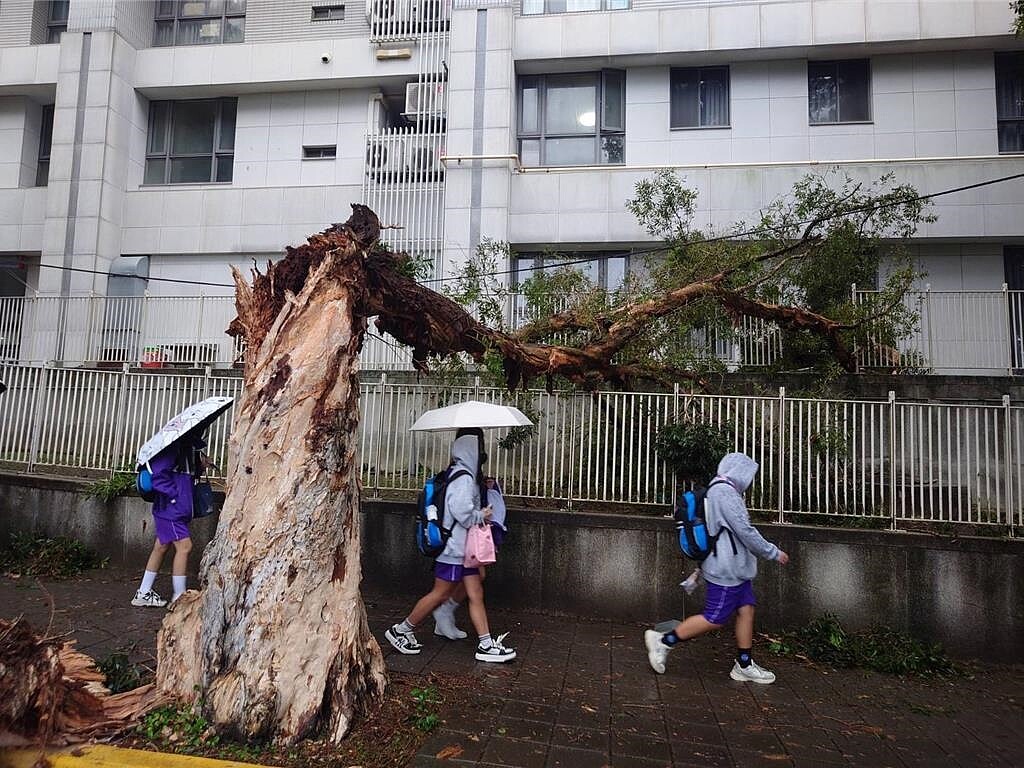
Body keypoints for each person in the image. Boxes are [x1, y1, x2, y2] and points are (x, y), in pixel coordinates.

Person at [644, 452, 789, 683]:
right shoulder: (725, 493)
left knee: (746, 610)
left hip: (735, 569)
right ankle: (663, 641)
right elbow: (745, 531)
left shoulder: (721, 489)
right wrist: (773, 552)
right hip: (725, 570)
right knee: (714, 617)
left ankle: (744, 664)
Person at [385, 428, 516, 662]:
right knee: (440, 593)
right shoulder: (464, 477)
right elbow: (462, 512)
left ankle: (485, 644)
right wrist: (482, 515)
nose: (483, 452)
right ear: (473, 449)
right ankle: (400, 630)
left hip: (464, 549)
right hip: (454, 548)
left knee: (476, 592)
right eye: (480, 447)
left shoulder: (460, 473)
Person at [131, 434, 207, 607]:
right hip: (170, 510)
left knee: (161, 547)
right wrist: (174, 497)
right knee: (185, 547)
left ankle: (143, 592)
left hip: (175, 510)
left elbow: (185, 477)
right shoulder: (173, 447)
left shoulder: (187, 448)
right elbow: (158, 476)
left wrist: (201, 467)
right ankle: (179, 596)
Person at [432, 474, 506, 639]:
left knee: (474, 583)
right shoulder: (462, 477)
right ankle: (404, 628)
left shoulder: (468, 476)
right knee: (444, 591)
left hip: (467, 539)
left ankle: (444, 615)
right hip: (460, 541)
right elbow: (463, 513)